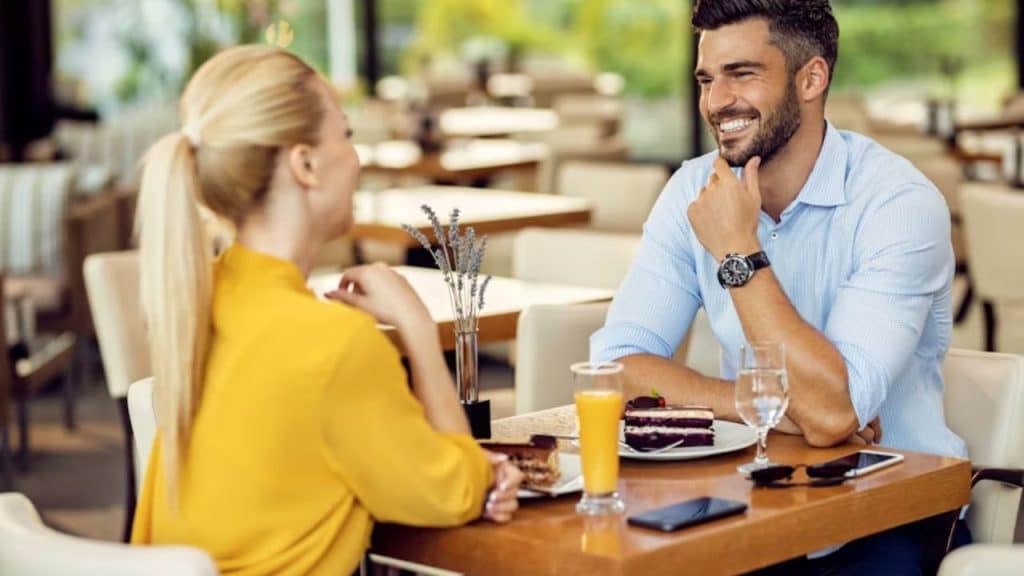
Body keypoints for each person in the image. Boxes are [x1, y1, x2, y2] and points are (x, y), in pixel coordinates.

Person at [591, 1, 968, 573]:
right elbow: (613, 369)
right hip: (753, 503)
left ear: (811, 78)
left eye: (742, 74)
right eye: (707, 79)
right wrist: (762, 407)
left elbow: (831, 415)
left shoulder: (898, 204)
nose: (717, 102)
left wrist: (737, 250)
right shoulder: (690, 190)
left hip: (891, 512)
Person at [130, 45, 522, 576]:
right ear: (306, 163)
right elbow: (454, 491)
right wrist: (417, 329)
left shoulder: (205, 297)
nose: (357, 158)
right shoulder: (334, 345)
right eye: (347, 135)